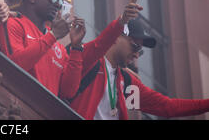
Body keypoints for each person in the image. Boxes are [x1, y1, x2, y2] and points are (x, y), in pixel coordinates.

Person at [0, 0, 143, 99]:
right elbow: (14, 66)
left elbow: (68, 92)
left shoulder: (57, 47)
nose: (57, 5)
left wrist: (76, 48)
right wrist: (53, 36)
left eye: (60, 1)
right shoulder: (12, 24)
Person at [69, 18, 209, 120]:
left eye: (140, 51)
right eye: (135, 46)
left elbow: (167, 107)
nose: (136, 54)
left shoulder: (126, 83)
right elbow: (93, 47)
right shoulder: (89, 59)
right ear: (117, 37)